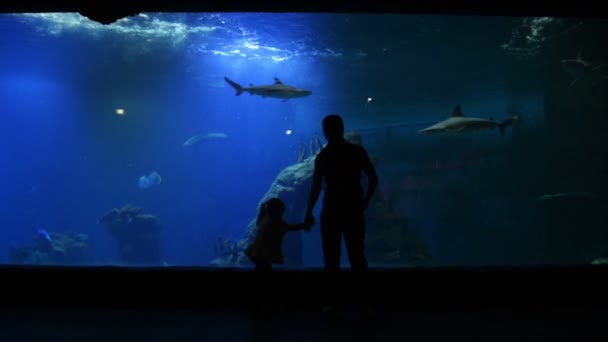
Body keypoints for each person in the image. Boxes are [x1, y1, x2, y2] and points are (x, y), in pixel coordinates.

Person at [305, 114, 378, 273]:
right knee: (357, 254)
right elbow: (373, 179)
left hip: (331, 210)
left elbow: (316, 188)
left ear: (324, 131)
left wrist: (309, 211)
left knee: (331, 259)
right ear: (342, 129)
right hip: (353, 208)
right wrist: (365, 201)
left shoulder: (323, 156)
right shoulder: (357, 152)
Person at [245, 197, 312, 272]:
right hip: (265, 253)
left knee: (260, 268)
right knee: (265, 268)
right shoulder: (276, 223)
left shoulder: (264, 217)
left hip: (257, 251)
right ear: (280, 211)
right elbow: (291, 228)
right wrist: (304, 225)